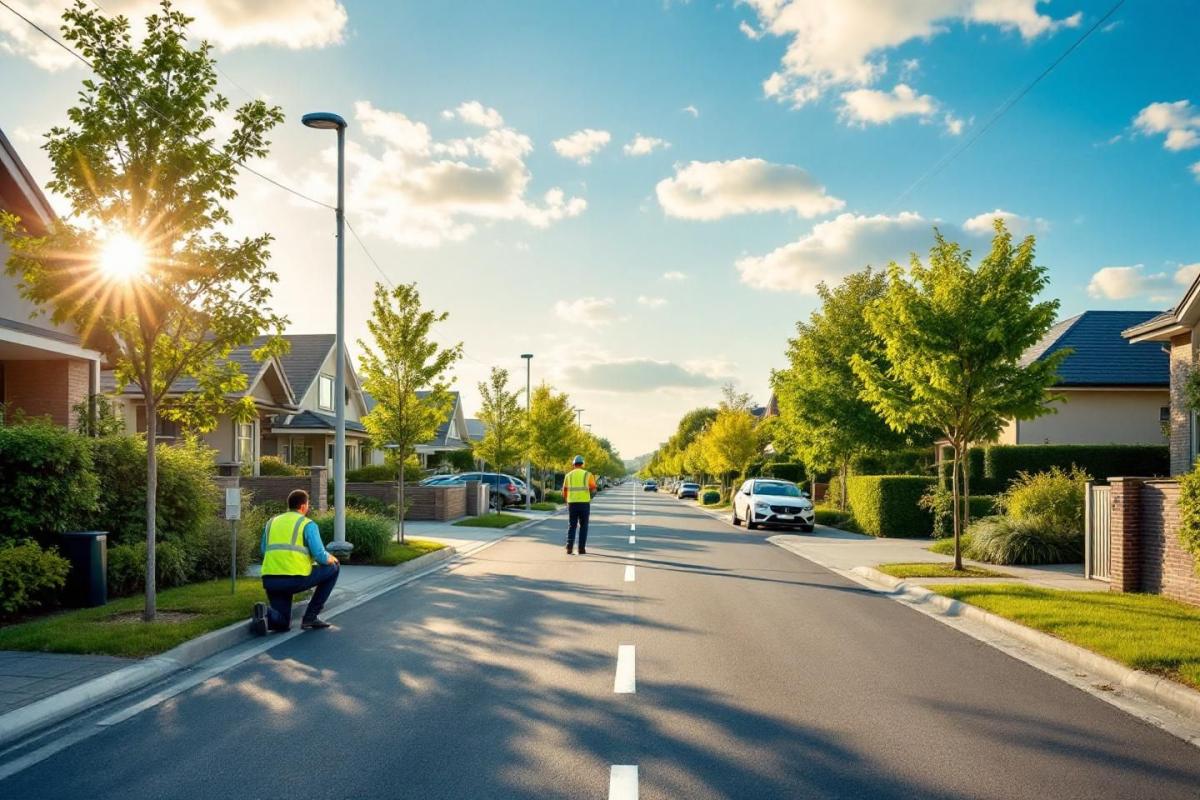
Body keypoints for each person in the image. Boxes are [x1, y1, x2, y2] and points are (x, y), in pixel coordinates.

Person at [250, 489, 340, 635]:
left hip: (271, 580)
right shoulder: (307, 524)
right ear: (303, 506)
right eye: (308, 505)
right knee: (334, 568)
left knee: (282, 624)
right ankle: (310, 617)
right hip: (294, 579)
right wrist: (332, 558)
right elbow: (320, 555)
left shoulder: (271, 522)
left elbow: (263, 549)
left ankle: (264, 613)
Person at [562, 454, 597, 555]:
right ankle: (581, 549)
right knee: (583, 526)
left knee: (572, 525)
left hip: (572, 504)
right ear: (582, 464)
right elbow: (594, 489)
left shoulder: (568, 475)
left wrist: (566, 501)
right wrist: (590, 497)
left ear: (573, 464)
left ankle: (569, 547)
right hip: (584, 504)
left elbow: (564, 491)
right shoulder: (588, 474)